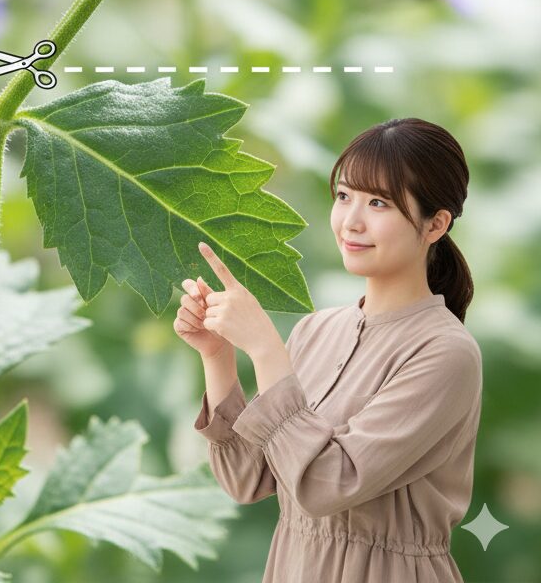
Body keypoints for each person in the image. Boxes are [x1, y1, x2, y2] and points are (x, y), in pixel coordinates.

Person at [174, 117, 482, 583]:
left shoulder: (446, 353)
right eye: (344, 196)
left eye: (378, 202)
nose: (351, 221)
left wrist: (264, 348)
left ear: (436, 224)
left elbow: (324, 485)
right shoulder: (316, 330)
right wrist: (217, 355)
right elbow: (247, 479)